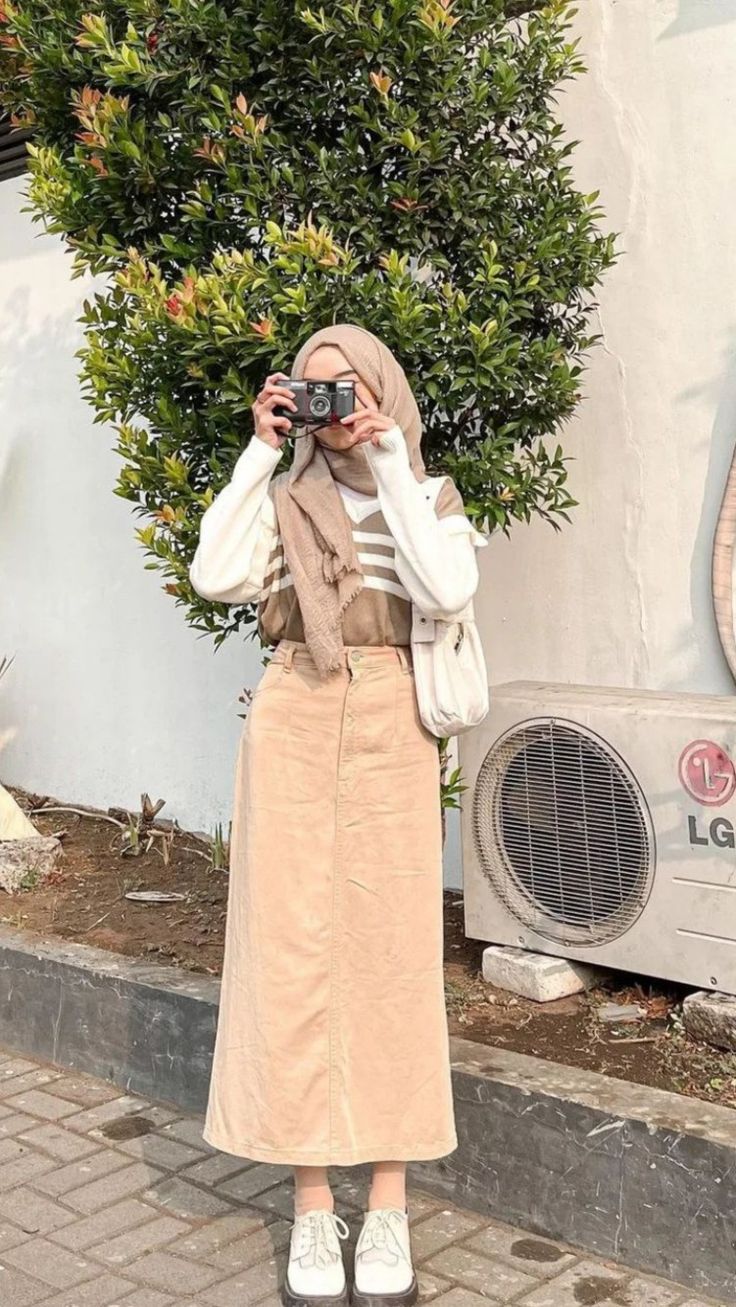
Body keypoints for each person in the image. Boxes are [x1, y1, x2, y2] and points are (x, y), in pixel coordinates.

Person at [189, 323, 488, 1307]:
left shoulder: (429, 496)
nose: (332, 406)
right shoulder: (285, 498)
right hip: (296, 707)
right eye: (310, 391)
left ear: (380, 389)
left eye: (345, 386)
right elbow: (215, 576)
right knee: (291, 954)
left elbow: (445, 587)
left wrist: (392, 458)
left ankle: (389, 1202)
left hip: (394, 714)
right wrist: (260, 450)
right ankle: (314, 1203)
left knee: (390, 954)